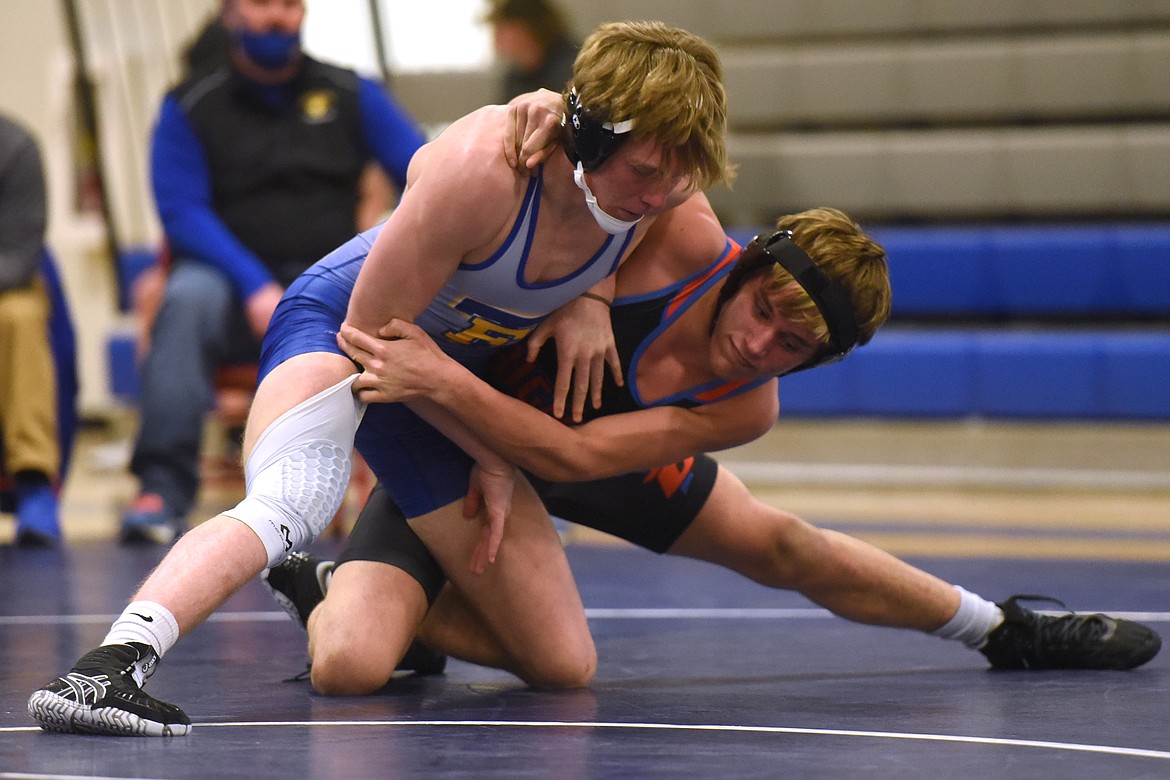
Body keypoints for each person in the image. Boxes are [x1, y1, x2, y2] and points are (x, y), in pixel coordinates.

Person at [28, 19, 733, 736]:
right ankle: (109, 666)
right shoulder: (487, 170)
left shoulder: (664, 193)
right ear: (589, 136)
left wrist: (593, 295)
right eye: (645, 172)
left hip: (434, 375)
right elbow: (370, 343)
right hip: (348, 326)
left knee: (562, 662)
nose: (658, 194)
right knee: (296, 496)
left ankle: (336, 592)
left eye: (679, 176)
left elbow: (662, 235)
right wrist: (489, 450)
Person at [262, 193, 1161, 696]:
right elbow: (613, 167)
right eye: (766, 310)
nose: (759, 345)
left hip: (561, 448)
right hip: (456, 447)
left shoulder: (746, 406)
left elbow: (570, 461)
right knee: (350, 669)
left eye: (793, 348)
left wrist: (448, 379)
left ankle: (1003, 628)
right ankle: (330, 587)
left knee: (784, 544)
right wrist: (594, 292)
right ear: (749, 264)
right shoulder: (684, 235)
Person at [119, 0, 426, 544]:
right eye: (261, 4)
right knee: (184, 300)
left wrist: (399, 249)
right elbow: (181, 211)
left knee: (433, 297)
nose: (276, 18)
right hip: (231, 291)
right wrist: (255, 285)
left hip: (337, 284)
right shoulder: (190, 105)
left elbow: (426, 171)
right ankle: (161, 490)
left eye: (289, 4)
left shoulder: (352, 92)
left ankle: (436, 491)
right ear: (231, 13)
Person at [0, 114, 65, 547]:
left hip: (6, 286)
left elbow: (20, 256)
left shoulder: (14, 146)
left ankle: (33, 481)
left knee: (19, 317)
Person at [485, 0, 578, 101]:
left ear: (525, 28)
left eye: (501, 28)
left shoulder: (573, 68)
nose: (496, 37)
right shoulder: (516, 77)